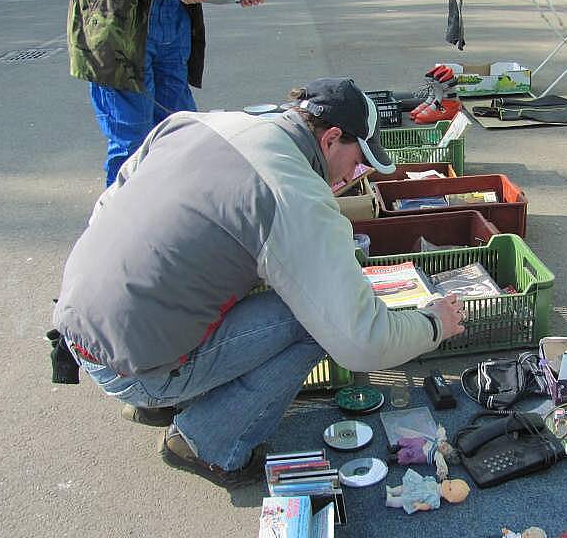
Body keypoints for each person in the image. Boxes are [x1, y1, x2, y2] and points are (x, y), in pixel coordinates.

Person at [52, 77, 466, 488]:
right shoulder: (291, 192)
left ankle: (162, 397)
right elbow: (361, 341)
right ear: (331, 139)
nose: (354, 176)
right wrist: (434, 325)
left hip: (78, 326)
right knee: (315, 321)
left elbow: (109, 203)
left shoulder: (199, 124)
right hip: (135, 369)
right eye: (358, 161)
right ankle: (206, 442)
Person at [67, 0, 264, 187]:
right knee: (133, 146)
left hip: (173, 30)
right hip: (122, 35)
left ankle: (173, 217)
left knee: (183, 137)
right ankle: (124, 220)